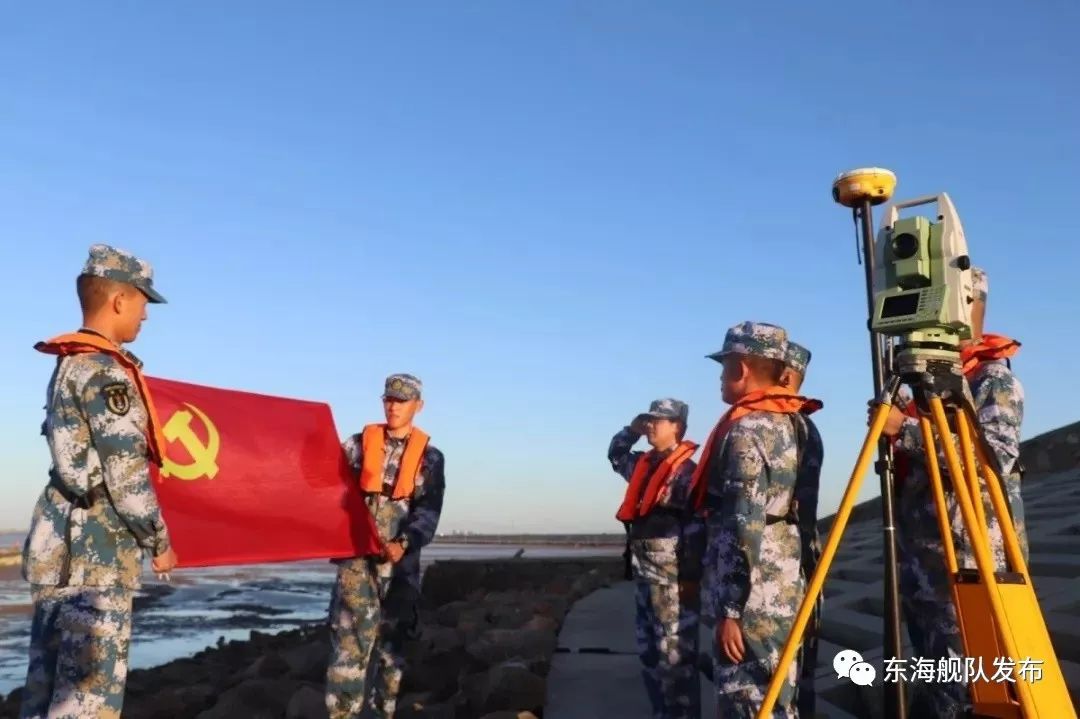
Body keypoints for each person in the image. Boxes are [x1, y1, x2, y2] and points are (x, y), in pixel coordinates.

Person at [21, 243, 178, 719]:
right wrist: (159, 541)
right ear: (119, 301)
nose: (146, 316)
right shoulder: (107, 373)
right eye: (143, 302)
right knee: (87, 699)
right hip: (97, 559)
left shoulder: (70, 364)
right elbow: (125, 475)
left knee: (45, 690)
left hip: (59, 552)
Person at [877, 265, 1026, 718]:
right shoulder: (926, 380)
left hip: (971, 559)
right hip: (925, 561)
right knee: (935, 678)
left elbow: (994, 456)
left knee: (974, 683)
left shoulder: (991, 380)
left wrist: (906, 432)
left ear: (967, 305)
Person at [696, 321, 822, 719]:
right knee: (781, 694)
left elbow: (742, 519)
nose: (720, 377)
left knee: (748, 698)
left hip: (754, 589)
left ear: (743, 368)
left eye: (725, 366)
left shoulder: (747, 430)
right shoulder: (800, 423)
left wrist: (733, 610)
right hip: (785, 576)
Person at [325, 373, 446, 719]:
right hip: (356, 565)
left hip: (402, 569)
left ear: (418, 406)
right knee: (349, 649)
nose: (393, 406)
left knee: (393, 654)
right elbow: (324, 485)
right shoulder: (356, 445)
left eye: (402, 400)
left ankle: (383, 715)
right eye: (388, 399)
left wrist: (403, 543)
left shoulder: (431, 459)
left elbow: (429, 512)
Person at [608, 398, 703, 719]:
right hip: (643, 571)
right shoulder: (642, 464)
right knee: (648, 651)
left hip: (673, 575)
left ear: (677, 426)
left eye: (658, 421)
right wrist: (630, 430)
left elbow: (697, 525)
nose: (651, 425)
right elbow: (616, 454)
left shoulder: (688, 473)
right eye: (649, 420)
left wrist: (691, 576)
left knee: (675, 656)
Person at [778, 340, 824, 719]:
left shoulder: (790, 427)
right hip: (798, 553)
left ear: (786, 375)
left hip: (788, 560)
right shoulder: (798, 426)